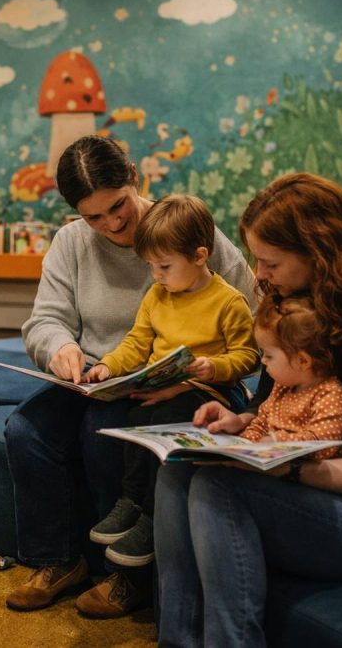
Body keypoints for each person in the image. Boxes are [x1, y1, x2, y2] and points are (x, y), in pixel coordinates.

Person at [154, 172, 342, 647]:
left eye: (270, 262)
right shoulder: (301, 306)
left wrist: (288, 470)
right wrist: (238, 423)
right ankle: (177, 641)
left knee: (220, 487)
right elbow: (271, 403)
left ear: (319, 253)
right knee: (177, 471)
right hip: (330, 487)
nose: (259, 275)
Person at [3, 136, 256, 618]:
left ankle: (127, 577)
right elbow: (45, 320)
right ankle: (57, 561)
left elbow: (253, 313)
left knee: (105, 437)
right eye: (93, 216)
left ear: (135, 178)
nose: (112, 224)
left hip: (179, 383)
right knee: (25, 431)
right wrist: (62, 349)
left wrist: (199, 376)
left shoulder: (180, 228)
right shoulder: (71, 241)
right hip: (100, 372)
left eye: (118, 206)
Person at [83, 194, 258, 573]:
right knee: (132, 417)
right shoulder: (157, 295)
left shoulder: (229, 302)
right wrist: (108, 367)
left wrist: (214, 366)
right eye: (150, 266)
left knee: (166, 416)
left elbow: (249, 357)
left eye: (164, 265)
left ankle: (149, 516)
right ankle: (130, 501)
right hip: (164, 385)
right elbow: (136, 343)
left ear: (199, 256)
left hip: (210, 393)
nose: (156, 275)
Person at [239, 293, 342, 455]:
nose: (263, 361)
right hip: (270, 463)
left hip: (311, 474)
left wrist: (275, 442)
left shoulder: (331, 395)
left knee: (211, 480)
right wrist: (245, 444)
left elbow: (323, 443)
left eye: (269, 355)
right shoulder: (282, 387)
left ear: (302, 361)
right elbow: (260, 423)